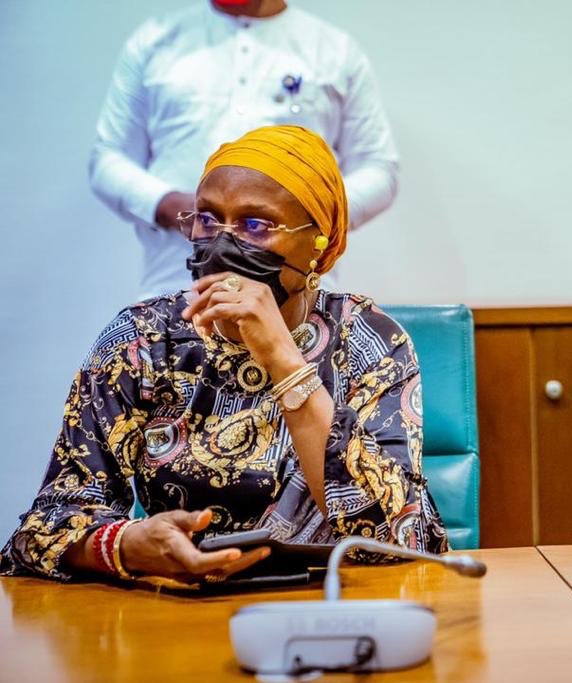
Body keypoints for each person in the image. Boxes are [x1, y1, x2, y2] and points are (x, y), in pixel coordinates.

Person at [2, 125, 445, 583]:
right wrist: (129, 545)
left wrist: (282, 358)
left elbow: (399, 538)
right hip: (175, 614)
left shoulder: (368, 341)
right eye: (208, 220)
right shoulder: (144, 342)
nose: (223, 244)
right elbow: (47, 525)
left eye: (257, 225)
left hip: (337, 606)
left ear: (319, 242)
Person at [89, 0, 399, 299]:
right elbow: (107, 160)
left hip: (295, 292)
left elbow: (379, 169)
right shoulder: (155, 42)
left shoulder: (333, 50)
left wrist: (303, 215)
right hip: (174, 283)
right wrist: (173, 207)